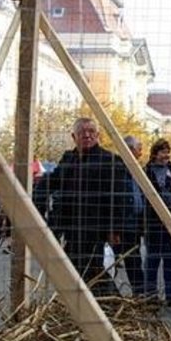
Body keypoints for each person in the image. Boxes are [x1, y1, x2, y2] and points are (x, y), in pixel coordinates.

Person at [33, 117, 131, 294]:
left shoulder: (109, 160)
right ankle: (93, 304)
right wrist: (36, 205)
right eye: (82, 132)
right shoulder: (68, 159)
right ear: (74, 136)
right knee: (75, 267)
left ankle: (108, 303)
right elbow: (52, 180)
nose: (87, 135)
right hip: (70, 224)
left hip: (95, 226)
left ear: (98, 135)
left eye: (91, 131)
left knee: (90, 267)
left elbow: (120, 198)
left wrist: (114, 228)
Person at [142, 139, 171, 307]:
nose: (166, 155)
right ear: (155, 153)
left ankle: (170, 296)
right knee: (152, 261)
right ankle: (151, 295)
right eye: (163, 151)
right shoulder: (146, 171)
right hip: (153, 223)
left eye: (168, 151)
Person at [121, 135, 146, 295]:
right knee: (131, 258)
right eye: (139, 149)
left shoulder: (138, 170)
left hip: (136, 222)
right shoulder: (119, 169)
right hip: (124, 222)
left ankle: (140, 292)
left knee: (133, 257)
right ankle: (140, 292)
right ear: (129, 150)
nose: (141, 153)